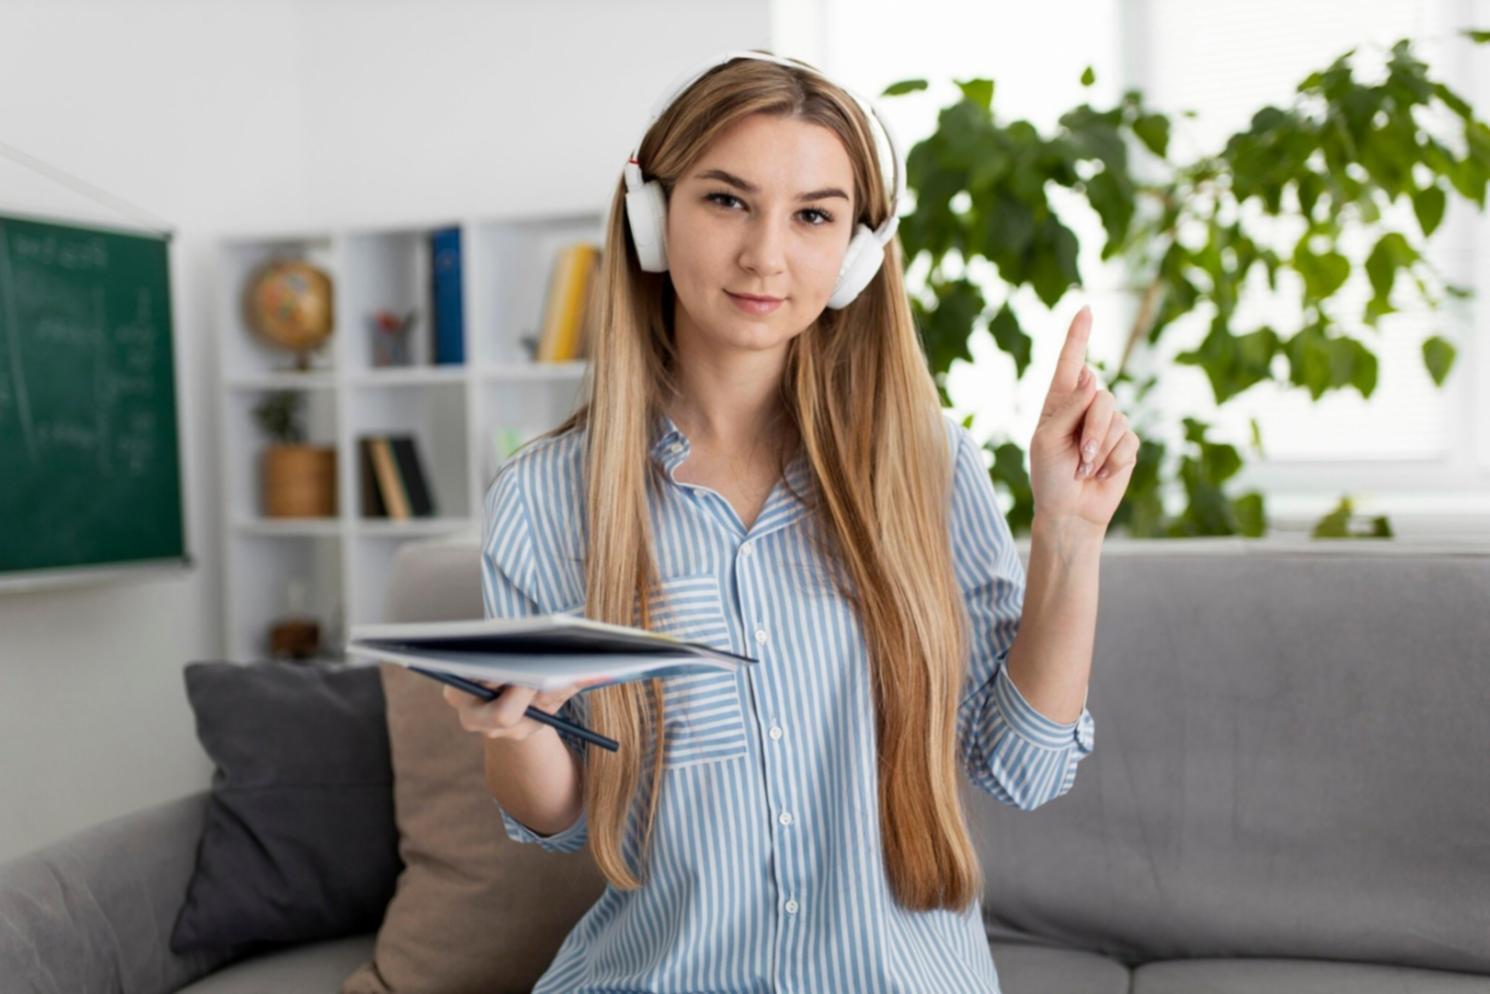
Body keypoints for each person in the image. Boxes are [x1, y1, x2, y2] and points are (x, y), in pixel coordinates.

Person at [441, 48, 1138, 994]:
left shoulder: (925, 464)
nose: (767, 254)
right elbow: (558, 821)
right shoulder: (545, 496)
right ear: (652, 213)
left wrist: (1069, 531)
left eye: (814, 215)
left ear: (855, 255)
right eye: (727, 200)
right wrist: (520, 729)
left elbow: (1022, 768)